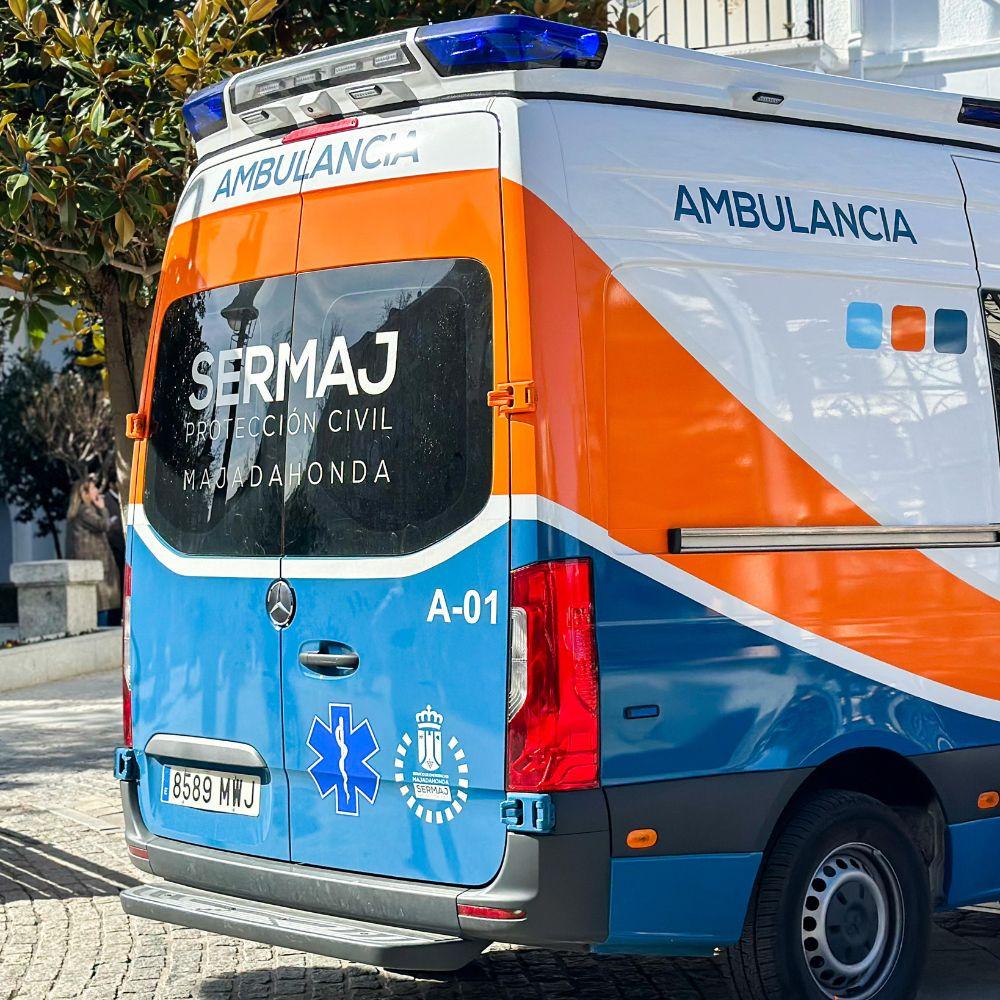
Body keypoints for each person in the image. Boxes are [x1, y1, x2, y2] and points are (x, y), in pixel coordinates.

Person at [66, 478, 121, 627]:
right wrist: (103, 508)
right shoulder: (85, 510)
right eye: (93, 488)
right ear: (84, 493)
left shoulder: (80, 511)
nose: (97, 491)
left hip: (92, 564)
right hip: (96, 565)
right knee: (101, 606)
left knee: (100, 605)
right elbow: (103, 524)